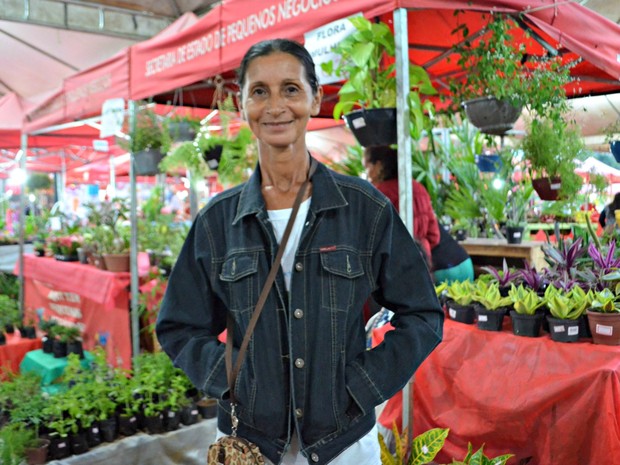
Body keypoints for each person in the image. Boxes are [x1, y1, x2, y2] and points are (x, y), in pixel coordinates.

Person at [155, 38, 444, 465]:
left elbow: (422, 314)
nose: (275, 106)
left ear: (315, 98)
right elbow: (179, 326)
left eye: (290, 89)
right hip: (248, 445)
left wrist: (361, 386)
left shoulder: (364, 209)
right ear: (241, 105)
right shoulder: (216, 223)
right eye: (259, 91)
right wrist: (233, 381)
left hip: (344, 444)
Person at [362, 145, 440, 260]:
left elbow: (370, 237)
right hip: (422, 260)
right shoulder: (419, 188)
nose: (366, 174)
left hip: (394, 264)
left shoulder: (379, 194)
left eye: (366, 167)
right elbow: (434, 236)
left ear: (378, 166)